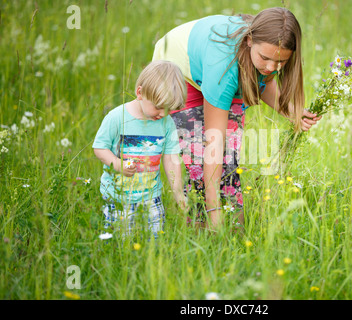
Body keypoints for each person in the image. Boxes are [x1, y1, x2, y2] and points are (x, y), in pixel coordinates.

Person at [152, 7, 321, 230]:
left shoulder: (267, 50)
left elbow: (265, 80)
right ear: (249, 40)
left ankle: (235, 232)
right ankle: (202, 231)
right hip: (178, 70)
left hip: (219, 66)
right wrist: (214, 210)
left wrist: (291, 112)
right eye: (266, 59)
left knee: (229, 160)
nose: (271, 68)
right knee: (199, 157)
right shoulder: (223, 67)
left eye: (280, 63)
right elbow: (214, 142)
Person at [93, 60, 187, 239]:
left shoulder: (166, 123)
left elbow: (171, 158)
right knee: (120, 241)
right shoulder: (117, 117)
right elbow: (99, 147)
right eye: (159, 108)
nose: (162, 114)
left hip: (151, 197)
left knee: (155, 241)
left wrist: (178, 192)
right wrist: (117, 164)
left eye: (169, 110)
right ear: (140, 93)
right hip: (118, 197)